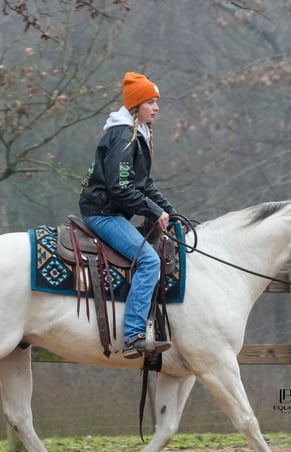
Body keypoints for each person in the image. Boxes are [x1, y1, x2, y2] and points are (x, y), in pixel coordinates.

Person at [78, 71, 177, 359]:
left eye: (157, 102)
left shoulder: (139, 133)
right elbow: (120, 187)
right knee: (148, 260)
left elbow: (143, 184)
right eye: (151, 102)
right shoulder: (123, 136)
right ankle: (133, 334)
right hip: (102, 214)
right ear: (136, 106)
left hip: (112, 211)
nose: (156, 108)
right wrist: (152, 210)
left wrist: (169, 211)